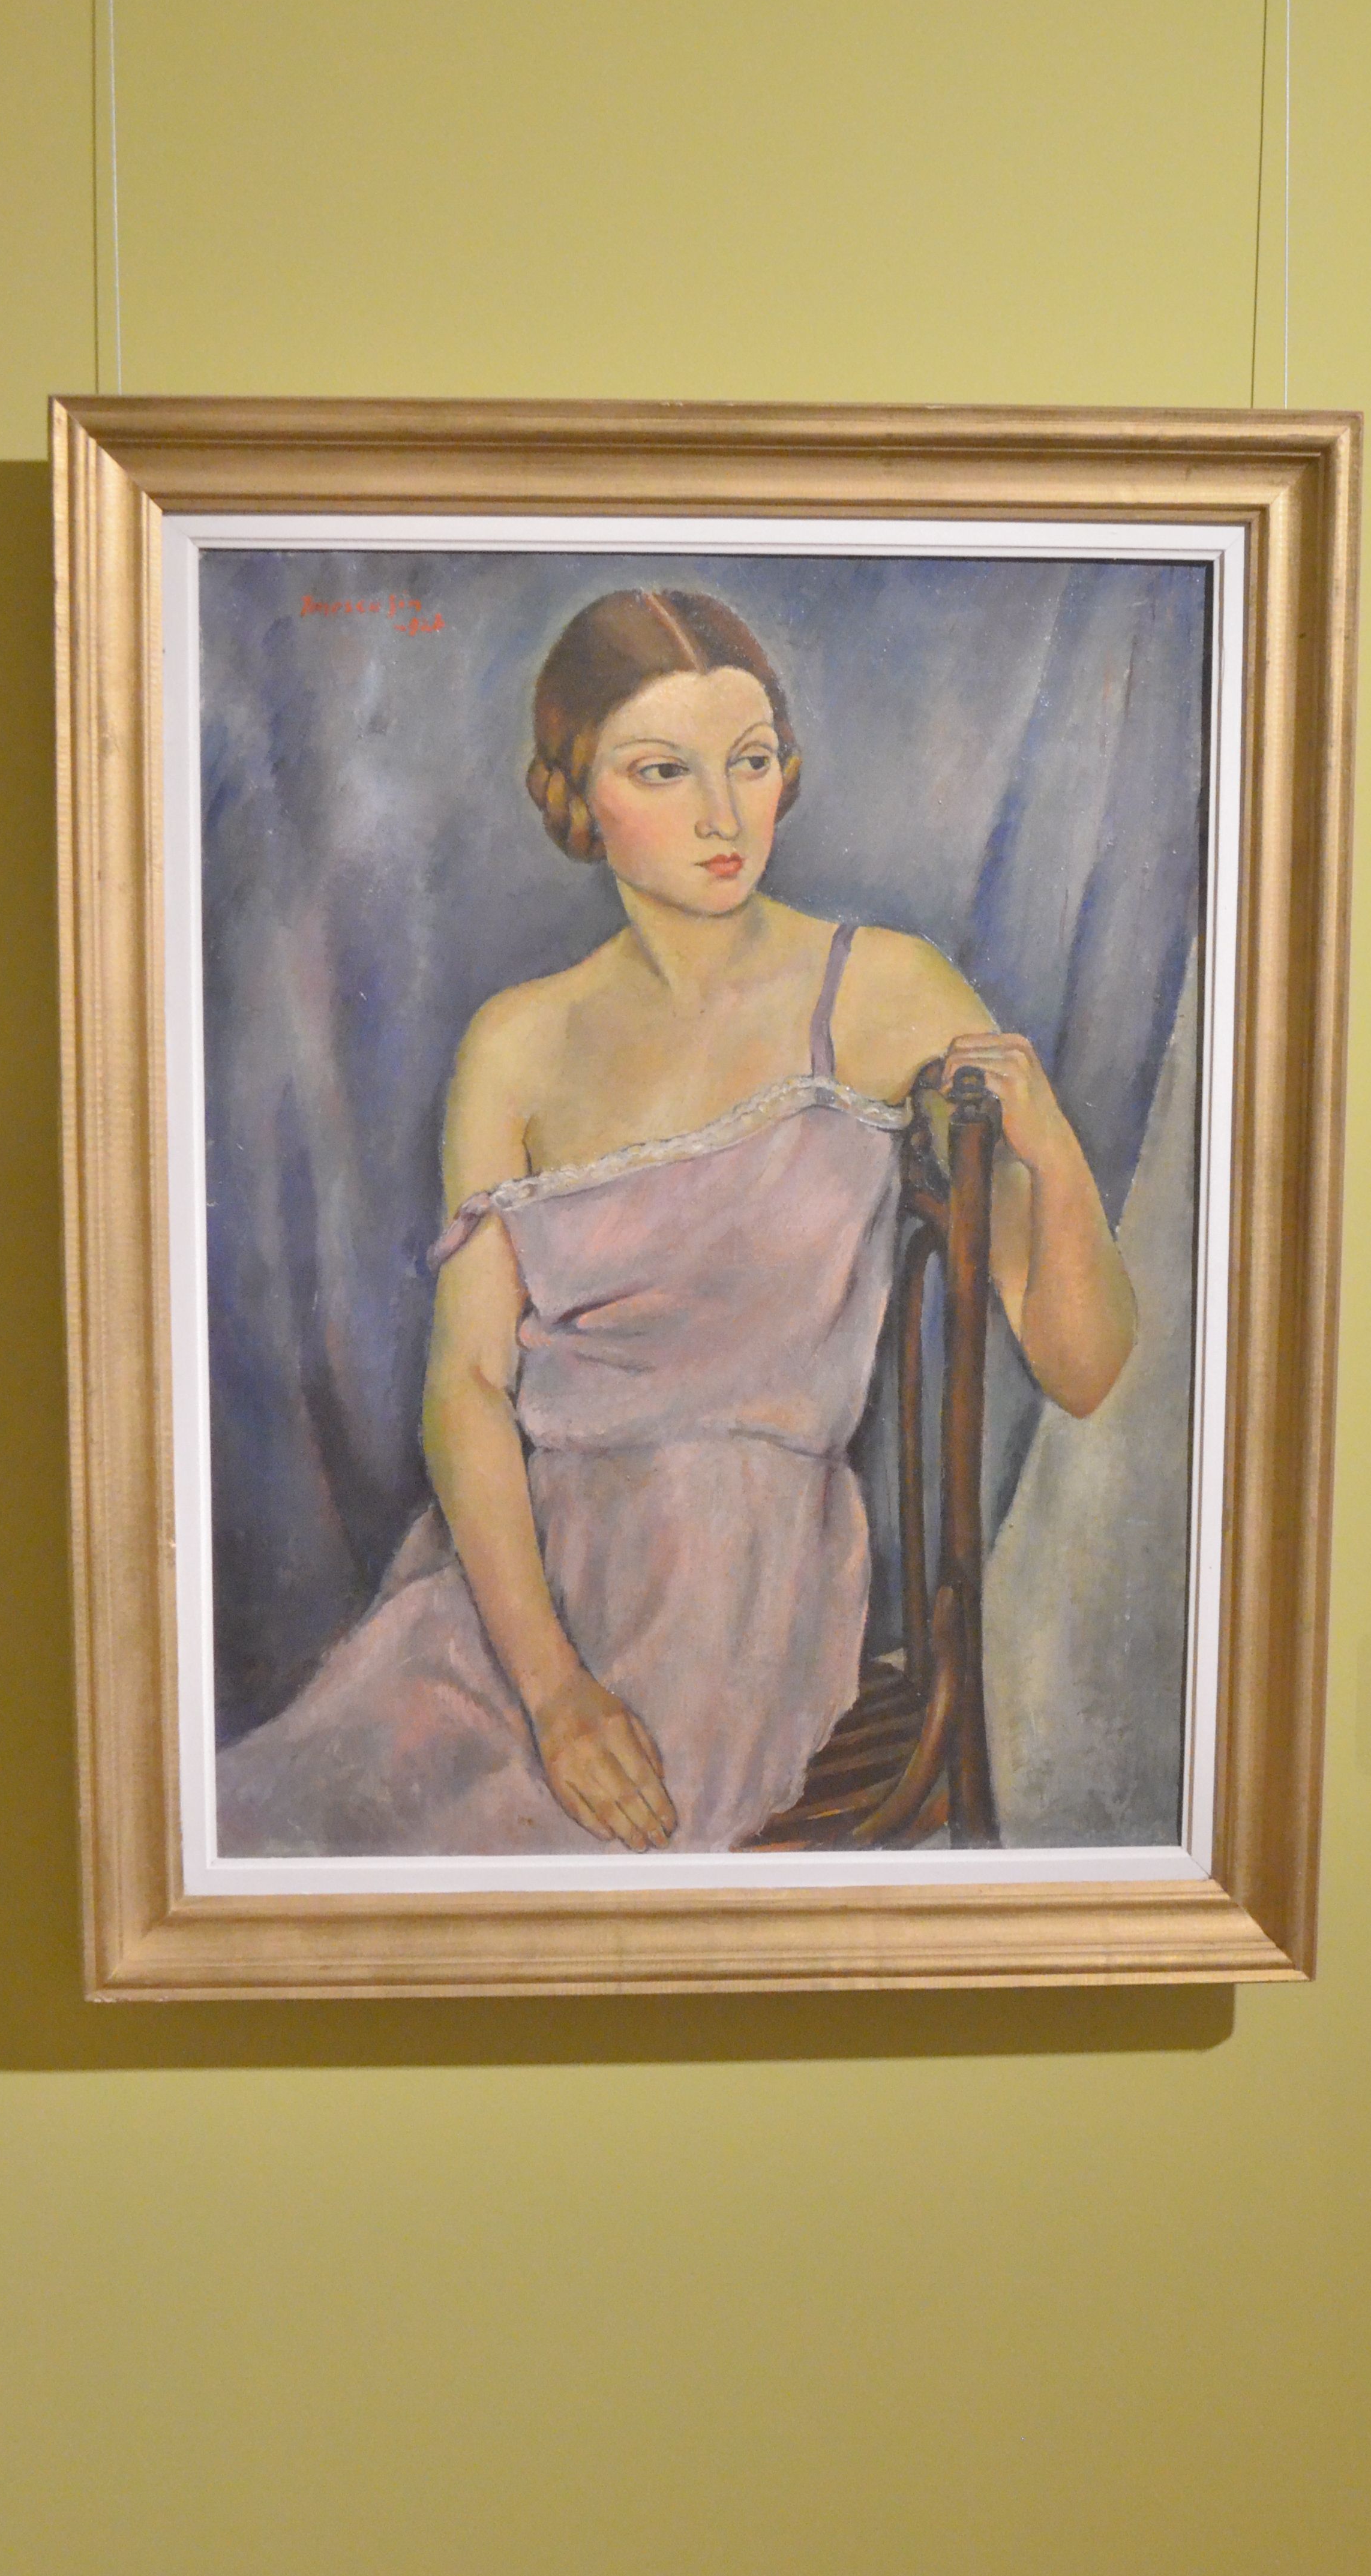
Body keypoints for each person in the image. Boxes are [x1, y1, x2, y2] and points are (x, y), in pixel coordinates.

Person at [215, 587, 1135, 1859]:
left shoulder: (882, 988)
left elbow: (1085, 1370)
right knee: (289, 1818)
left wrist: (1056, 1152)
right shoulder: (516, 1044)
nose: (722, 814)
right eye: (664, 771)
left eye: (750, 762)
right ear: (576, 796)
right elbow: (467, 1386)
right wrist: (554, 1690)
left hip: (733, 1599)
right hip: (516, 1588)